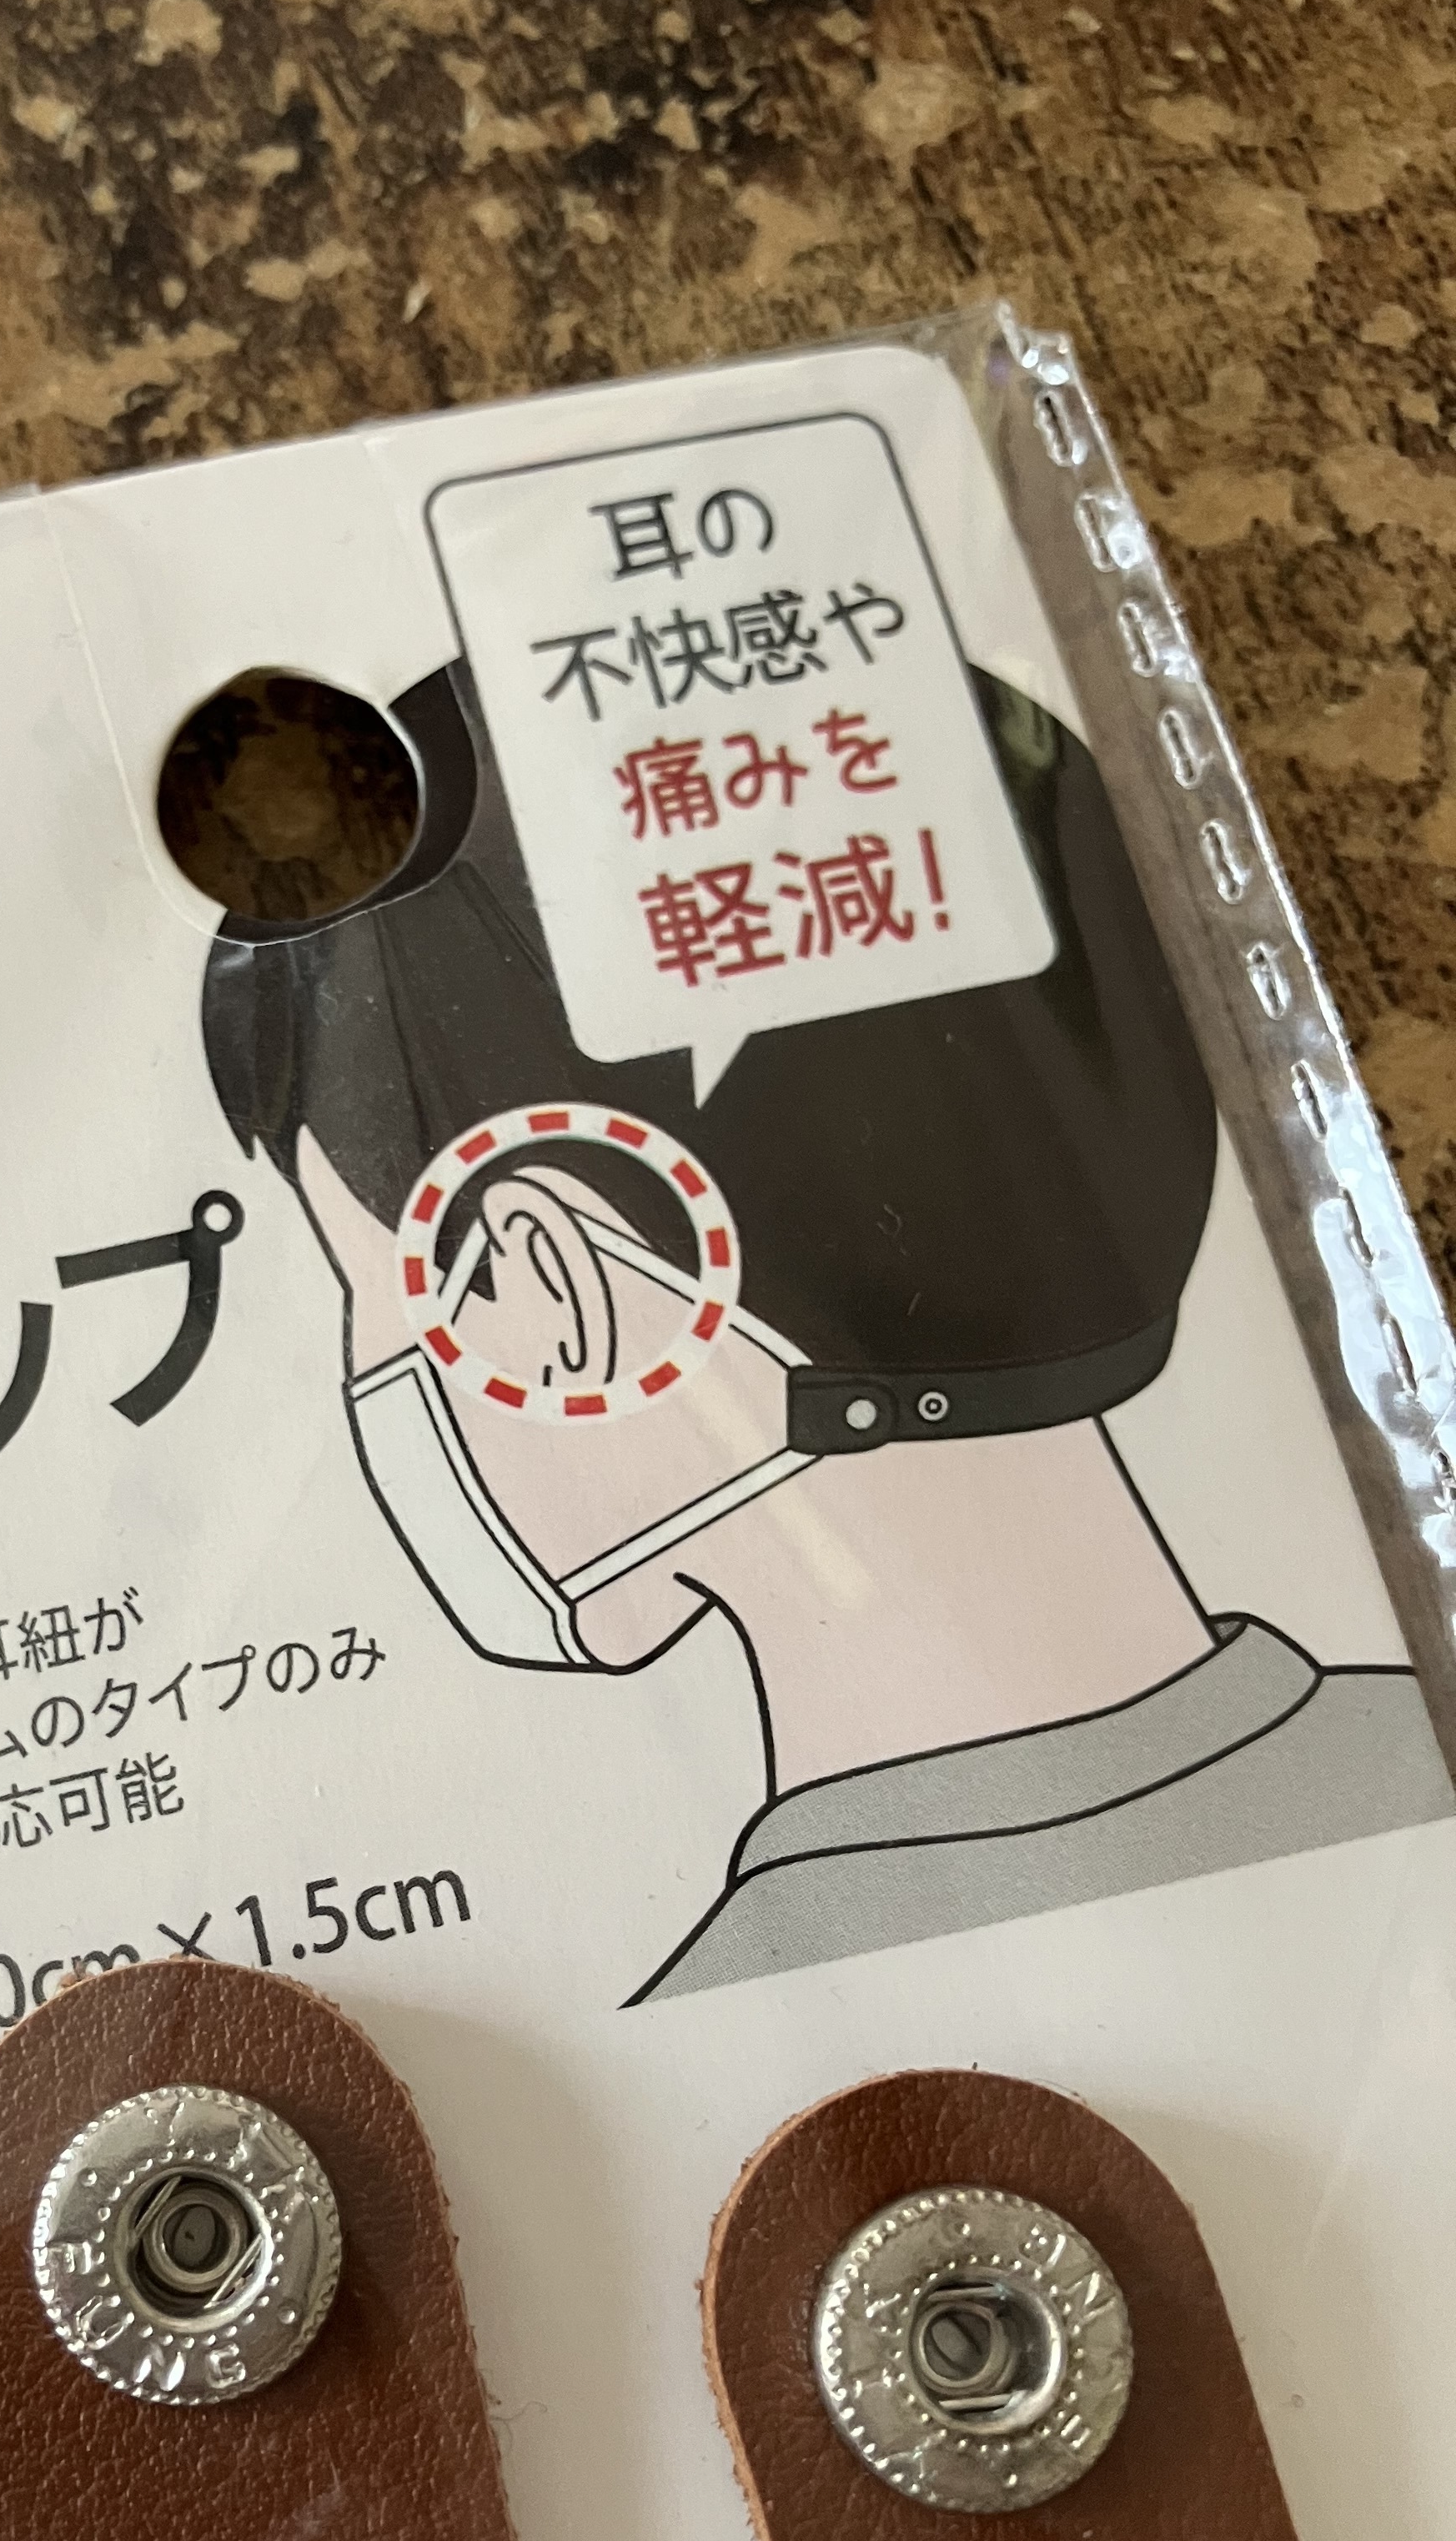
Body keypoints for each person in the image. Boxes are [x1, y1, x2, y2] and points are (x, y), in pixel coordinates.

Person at [200, 662, 1454, 2001]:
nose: (374, 1362)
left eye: (368, 1288)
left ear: (550, 1287)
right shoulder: (1413, 1746)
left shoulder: (716, 2036)